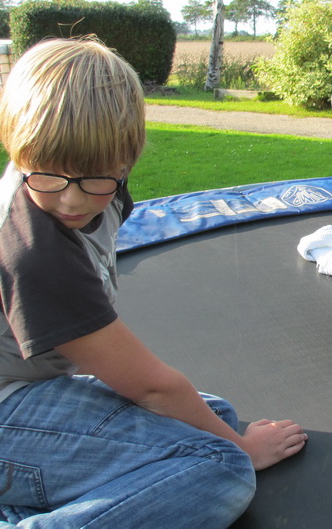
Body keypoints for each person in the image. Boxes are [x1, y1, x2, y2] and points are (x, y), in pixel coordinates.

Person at [0, 38, 307, 527]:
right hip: (7, 416)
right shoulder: (36, 253)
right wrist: (244, 450)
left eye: (95, 178)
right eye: (50, 177)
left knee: (215, 414)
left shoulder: (92, 187)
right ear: (19, 151)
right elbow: (152, 388)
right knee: (221, 465)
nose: (70, 200)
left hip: (23, 393)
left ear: (125, 163)